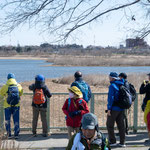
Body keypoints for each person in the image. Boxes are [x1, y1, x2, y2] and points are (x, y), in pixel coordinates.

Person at [0, 73, 23, 139]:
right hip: (16, 105)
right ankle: (16, 134)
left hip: (7, 106)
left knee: (7, 120)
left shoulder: (5, 86)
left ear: (8, 79)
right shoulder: (18, 85)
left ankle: (8, 134)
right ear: (14, 78)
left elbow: (1, 93)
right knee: (16, 120)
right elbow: (21, 93)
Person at [106, 72, 126, 147]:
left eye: (109, 77)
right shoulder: (121, 84)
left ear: (113, 78)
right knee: (121, 126)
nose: (109, 78)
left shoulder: (112, 86)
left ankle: (112, 141)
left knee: (109, 125)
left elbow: (111, 98)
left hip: (114, 108)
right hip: (121, 108)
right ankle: (122, 142)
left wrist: (109, 109)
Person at [139, 73, 150, 143]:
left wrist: (143, 84)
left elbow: (141, 91)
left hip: (148, 106)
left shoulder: (149, 85)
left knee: (148, 122)